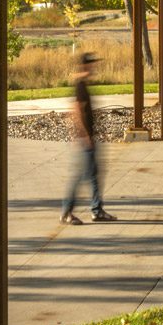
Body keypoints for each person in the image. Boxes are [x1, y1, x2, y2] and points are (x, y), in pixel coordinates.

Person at [60, 49, 116, 225]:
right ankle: (66, 212)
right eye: (92, 64)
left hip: (87, 137)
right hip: (83, 139)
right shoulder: (80, 85)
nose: (94, 67)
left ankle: (96, 210)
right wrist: (84, 136)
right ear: (86, 65)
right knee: (80, 176)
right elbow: (76, 111)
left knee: (93, 174)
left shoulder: (83, 84)